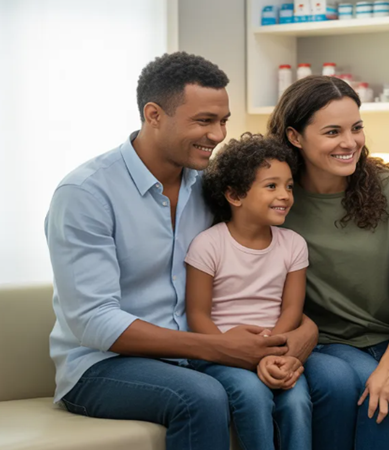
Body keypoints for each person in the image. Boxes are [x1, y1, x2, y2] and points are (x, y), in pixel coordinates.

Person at [44, 52, 317, 450]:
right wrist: (219, 347)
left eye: (223, 121)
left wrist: (303, 333)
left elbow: (251, 273)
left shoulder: (208, 187)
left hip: (196, 356)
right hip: (101, 366)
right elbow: (93, 322)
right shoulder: (86, 194)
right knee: (204, 396)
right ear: (154, 115)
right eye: (204, 121)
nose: (218, 134)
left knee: (320, 384)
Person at [268, 75, 389, 450]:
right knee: (367, 393)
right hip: (327, 343)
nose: (350, 142)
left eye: (356, 128)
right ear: (295, 137)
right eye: (332, 132)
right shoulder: (279, 199)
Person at [185, 133, 311, 450]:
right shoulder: (208, 244)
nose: (284, 195)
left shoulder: (293, 244)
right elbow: (197, 315)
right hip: (219, 354)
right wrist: (233, 353)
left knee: (297, 402)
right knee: (253, 394)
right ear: (235, 195)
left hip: (277, 351)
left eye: (289, 186)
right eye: (271, 186)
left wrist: (269, 352)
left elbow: (292, 311)